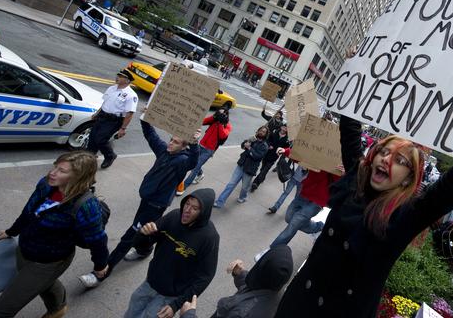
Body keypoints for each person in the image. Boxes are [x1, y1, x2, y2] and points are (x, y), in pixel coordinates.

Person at [274, 83, 453, 317]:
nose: (387, 159)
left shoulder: (406, 216)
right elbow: (350, 131)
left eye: (401, 160)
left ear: (409, 178)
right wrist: (358, 68)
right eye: (384, 151)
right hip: (298, 301)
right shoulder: (354, 184)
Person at [78, 119, 200, 287]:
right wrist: (146, 120)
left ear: (184, 146)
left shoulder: (182, 162)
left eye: (176, 142)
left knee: (129, 237)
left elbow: (193, 161)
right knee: (144, 230)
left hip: (156, 205)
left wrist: (195, 144)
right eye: (171, 139)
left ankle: (102, 273)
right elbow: (151, 136)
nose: (170, 143)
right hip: (147, 200)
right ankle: (144, 249)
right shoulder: (165, 151)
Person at [0, 152, 108, 318]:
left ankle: (56, 307)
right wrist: (12, 231)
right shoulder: (46, 184)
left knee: (0, 312)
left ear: (78, 177)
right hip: (25, 249)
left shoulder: (86, 206)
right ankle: (58, 309)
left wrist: (100, 265)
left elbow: (97, 241)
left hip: (48, 262)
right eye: (55, 166)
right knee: (44, 283)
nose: (52, 172)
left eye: (62, 171)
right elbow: (28, 212)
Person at [123, 189, 219, 318]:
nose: (187, 210)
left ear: (203, 212)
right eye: (187, 204)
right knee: (132, 311)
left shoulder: (209, 237)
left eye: (194, 208)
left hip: (171, 295)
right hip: (150, 282)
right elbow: (142, 246)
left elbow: (205, 277)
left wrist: (176, 305)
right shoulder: (174, 216)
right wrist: (143, 234)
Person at [268, 146, 339, 248]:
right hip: (305, 192)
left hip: (318, 200)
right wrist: (286, 151)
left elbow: (342, 182)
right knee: (289, 218)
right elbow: (303, 154)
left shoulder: (341, 159)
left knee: (293, 225)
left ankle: (271, 251)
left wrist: (343, 171)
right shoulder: (320, 149)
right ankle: (318, 227)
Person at [201, 245, 293, 318]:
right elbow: (253, 290)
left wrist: (189, 313)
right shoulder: (273, 290)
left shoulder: (242, 313)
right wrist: (240, 273)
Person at [87, 70, 138, 168]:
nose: (117, 77)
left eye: (121, 76)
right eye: (118, 75)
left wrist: (123, 129)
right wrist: (97, 113)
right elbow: (105, 103)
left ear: (127, 80)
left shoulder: (131, 95)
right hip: (102, 115)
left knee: (101, 140)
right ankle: (89, 157)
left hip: (113, 120)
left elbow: (130, 113)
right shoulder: (111, 88)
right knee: (92, 137)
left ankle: (110, 156)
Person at [214, 126, 269, 207]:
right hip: (241, 165)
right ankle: (219, 202)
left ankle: (243, 197)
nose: (261, 132)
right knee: (231, 184)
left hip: (249, 169)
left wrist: (249, 148)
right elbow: (242, 146)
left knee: (244, 188)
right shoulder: (252, 139)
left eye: (263, 132)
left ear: (266, 134)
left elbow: (257, 156)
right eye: (260, 130)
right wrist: (246, 143)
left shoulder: (264, 146)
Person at [182, 108, 232, 190]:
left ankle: (184, 186)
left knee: (195, 167)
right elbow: (203, 121)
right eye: (219, 113)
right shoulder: (214, 120)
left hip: (209, 150)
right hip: (201, 145)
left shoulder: (227, 126)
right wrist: (214, 117)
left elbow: (223, 135)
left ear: (227, 115)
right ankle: (200, 174)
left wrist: (220, 123)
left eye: (223, 114)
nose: (220, 115)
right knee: (195, 162)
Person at [251, 124, 290, 192]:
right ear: (281, 127)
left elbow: (286, 148)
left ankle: (255, 183)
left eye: (286, 128)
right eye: (283, 127)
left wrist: (282, 150)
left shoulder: (287, 139)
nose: (284, 129)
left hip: (274, 157)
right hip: (266, 153)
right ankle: (262, 178)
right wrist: (269, 145)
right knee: (263, 168)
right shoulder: (274, 132)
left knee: (265, 170)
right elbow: (267, 140)